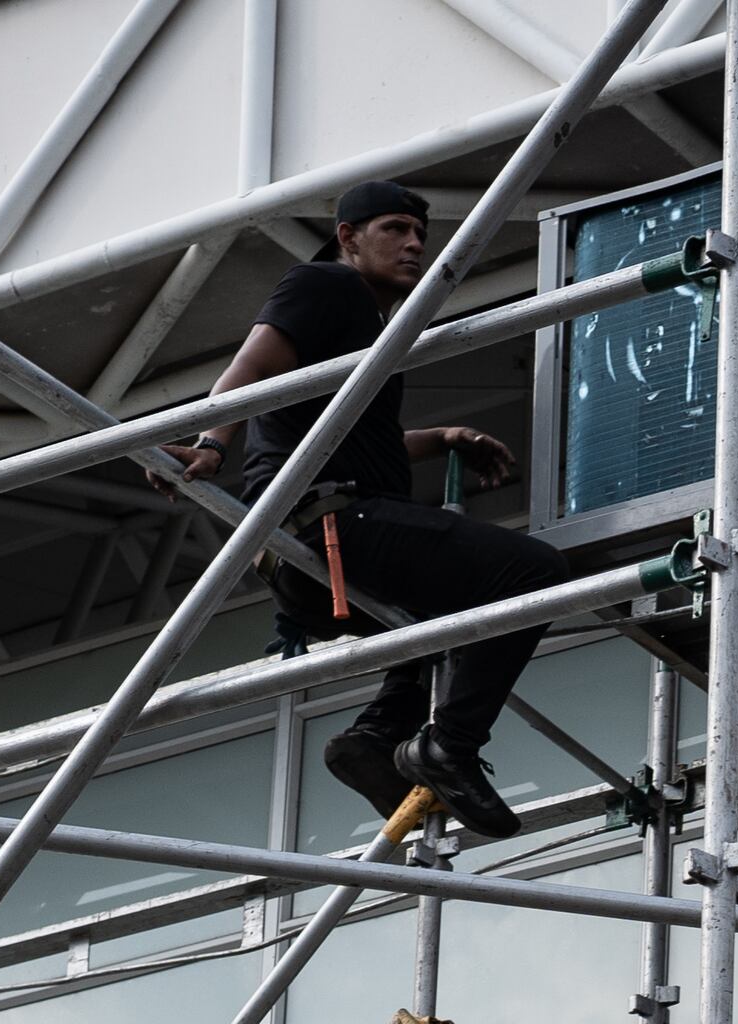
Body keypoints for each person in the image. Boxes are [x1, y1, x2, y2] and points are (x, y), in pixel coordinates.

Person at [211, 176, 583, 839]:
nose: (414, 245)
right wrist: (212, 445)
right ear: (348, 238)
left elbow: (351, 436)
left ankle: (379, 734)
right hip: (331, 528)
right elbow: (250, 368)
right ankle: (450, 747)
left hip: (314, 550)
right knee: (535, 575)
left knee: (448, 617)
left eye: (421, 234)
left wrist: (439, 439)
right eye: (394, 231)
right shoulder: (328, 284)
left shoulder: (366, 325)